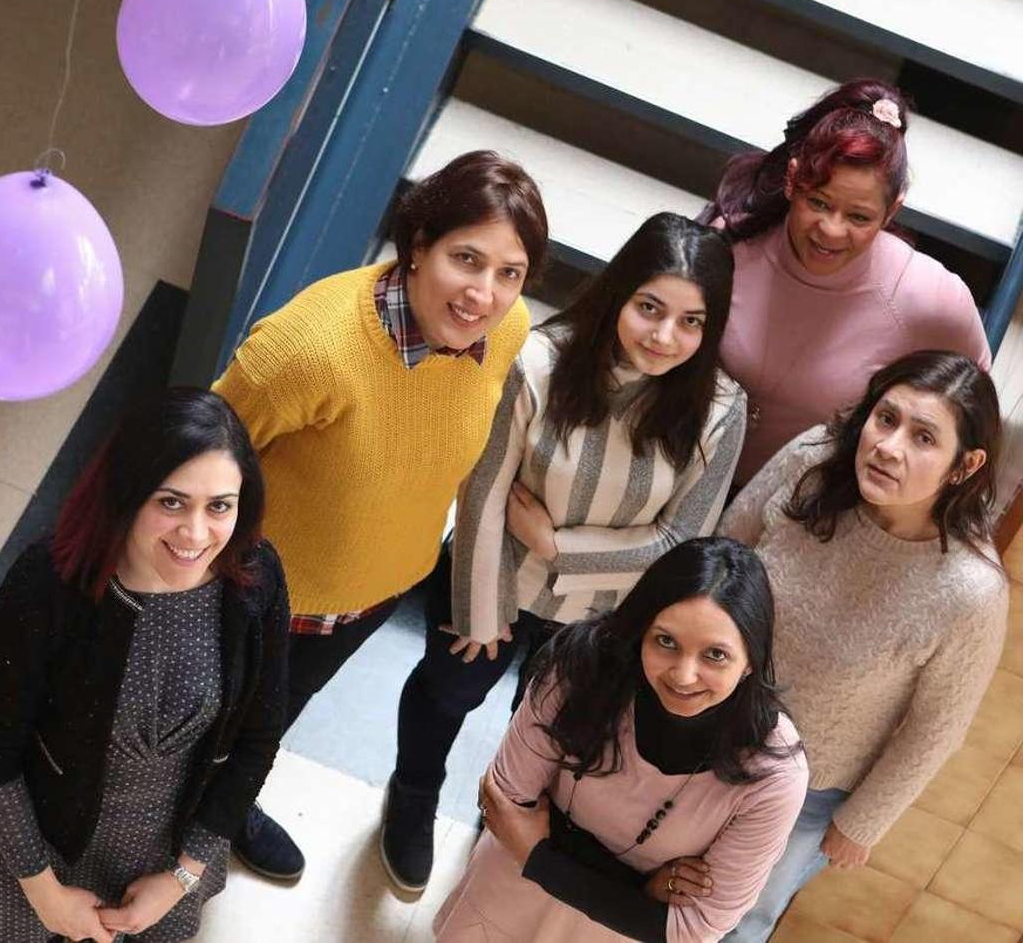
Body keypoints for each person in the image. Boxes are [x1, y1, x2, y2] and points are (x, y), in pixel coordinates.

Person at [385, 212, 748, 891]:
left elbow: (678, 544)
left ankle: (499, 831)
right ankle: (410, 796)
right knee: (448, 690)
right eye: (650, 308)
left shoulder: (721, 409)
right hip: (493, 578)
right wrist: (478, 609)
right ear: (618, 294)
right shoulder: (540, 362)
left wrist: (555, 543)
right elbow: (486, 492)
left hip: (601, 619)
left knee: (547, 734)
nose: (666, 336)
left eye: (692, 321)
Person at [211, 150, 547, 880]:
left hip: (374, 587)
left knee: (270, 724)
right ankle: (177, 847)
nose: (485, 293)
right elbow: (194, 462)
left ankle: (225, 810)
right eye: (467, 258)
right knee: (205, 731)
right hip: (262, 598)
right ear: (419, 242)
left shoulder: (508, 330)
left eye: (509, 272)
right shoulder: (308, 351)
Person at [0, 389, 288, 943]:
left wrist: (182, 875)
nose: (196, 535)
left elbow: (259, 733)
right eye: (171, 502)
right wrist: (47, 895)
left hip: (168, 851)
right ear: (126, 493)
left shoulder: (255, 578)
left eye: (219, 506)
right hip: (46, 843)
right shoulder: (50, 583)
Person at [718, 350, 1007, 941]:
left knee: (739, 921)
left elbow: (936, 729)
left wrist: (864, 823)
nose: (889, 446)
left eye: (924, 437)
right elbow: (721, 560)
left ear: (964, 464)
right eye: (886, 418)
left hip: (808, 790)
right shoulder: (812, 462)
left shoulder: (971, 590)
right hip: (703, 724)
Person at [433, 536, 809, 942]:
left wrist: (537, 854)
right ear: (641, 631)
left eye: (715, 655)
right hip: (506, 899)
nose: (683, 675)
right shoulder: (582, 667)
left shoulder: (774, 774)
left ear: (751, 659)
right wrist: (641, 890)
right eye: (666, 641)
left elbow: (694, 930)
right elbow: (501, 802)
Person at [704, 78, 990, 486]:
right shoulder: (732, 242)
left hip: (807, 512)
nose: (831, 231)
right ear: (792, 179)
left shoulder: (928, 296)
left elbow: (971, 406)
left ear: (892, 211)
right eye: (818, 203)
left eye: (859, 217)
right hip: (683, 481)